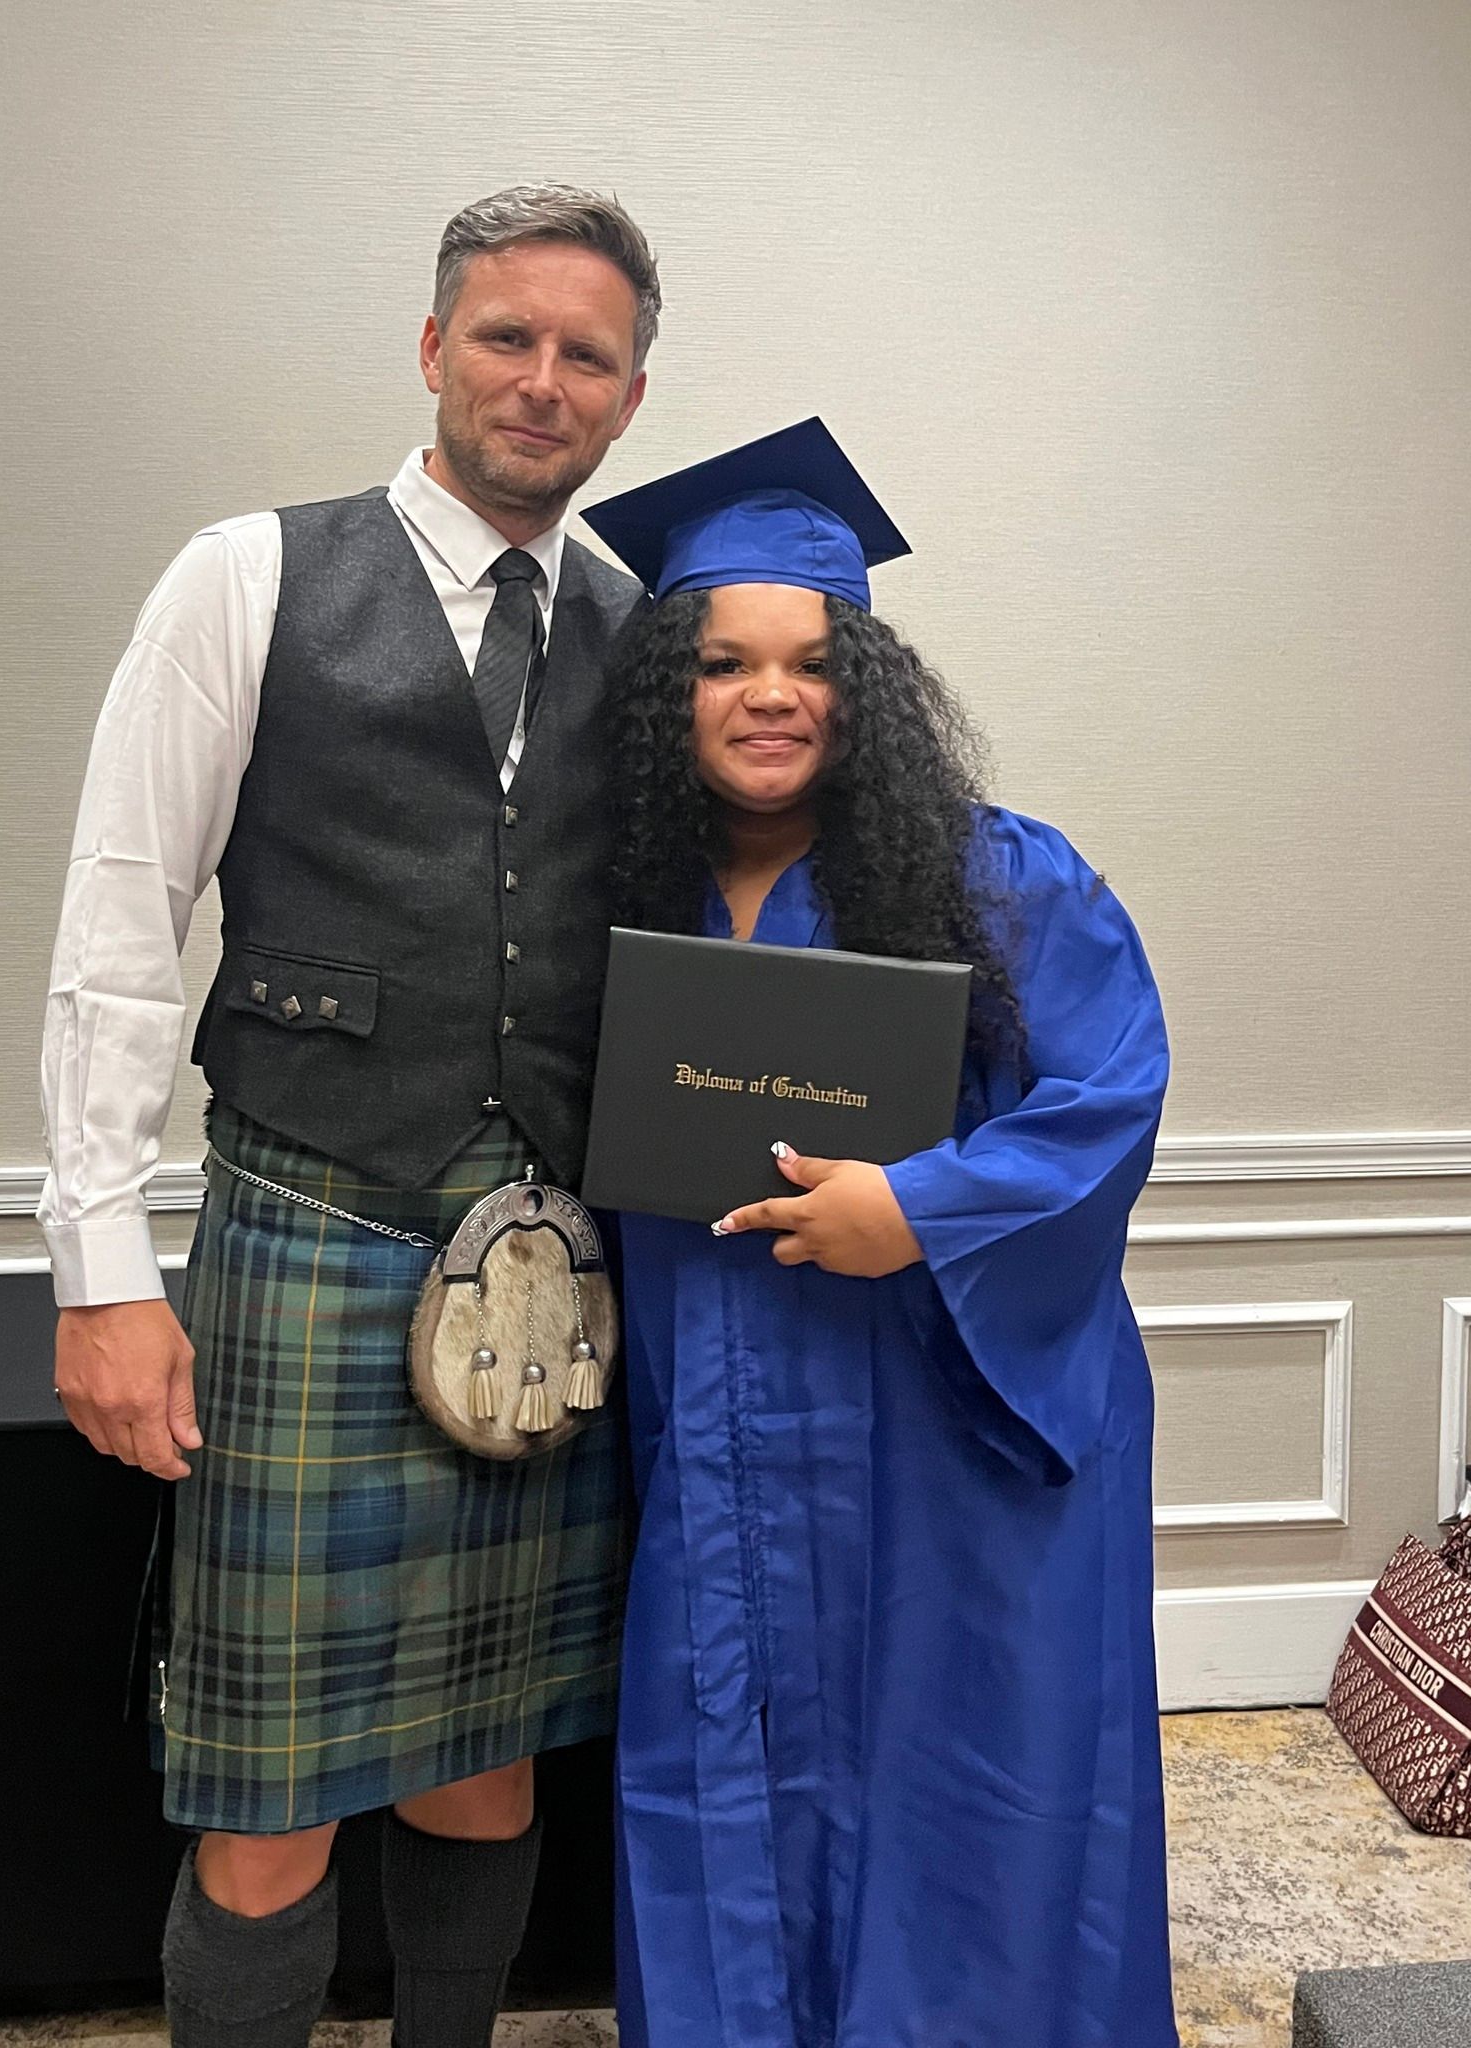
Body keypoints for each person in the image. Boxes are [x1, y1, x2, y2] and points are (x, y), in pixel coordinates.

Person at [37, 184, 658, 2048]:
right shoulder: (247, 574)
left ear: (633, 396)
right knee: (266, 1798)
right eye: (506, 337)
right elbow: (117, 930)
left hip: (557, 1273)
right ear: (433, 347)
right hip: (310, 1235)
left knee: (485, 1760)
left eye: (588, 356)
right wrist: (101, 1274)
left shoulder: (643, 628)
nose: (541, 381)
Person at [583, 420, 1179, 2047]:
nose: (770, 696)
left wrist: (914, 1206)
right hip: (721, 1424)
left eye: (810, 661)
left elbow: (1109, 1102)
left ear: (868, 684)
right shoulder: (635, 904)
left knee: (964, 1793)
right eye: (720, 664)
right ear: (666, 695)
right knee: (723, 1767)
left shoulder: (1004, 883)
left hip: (948, 1441)